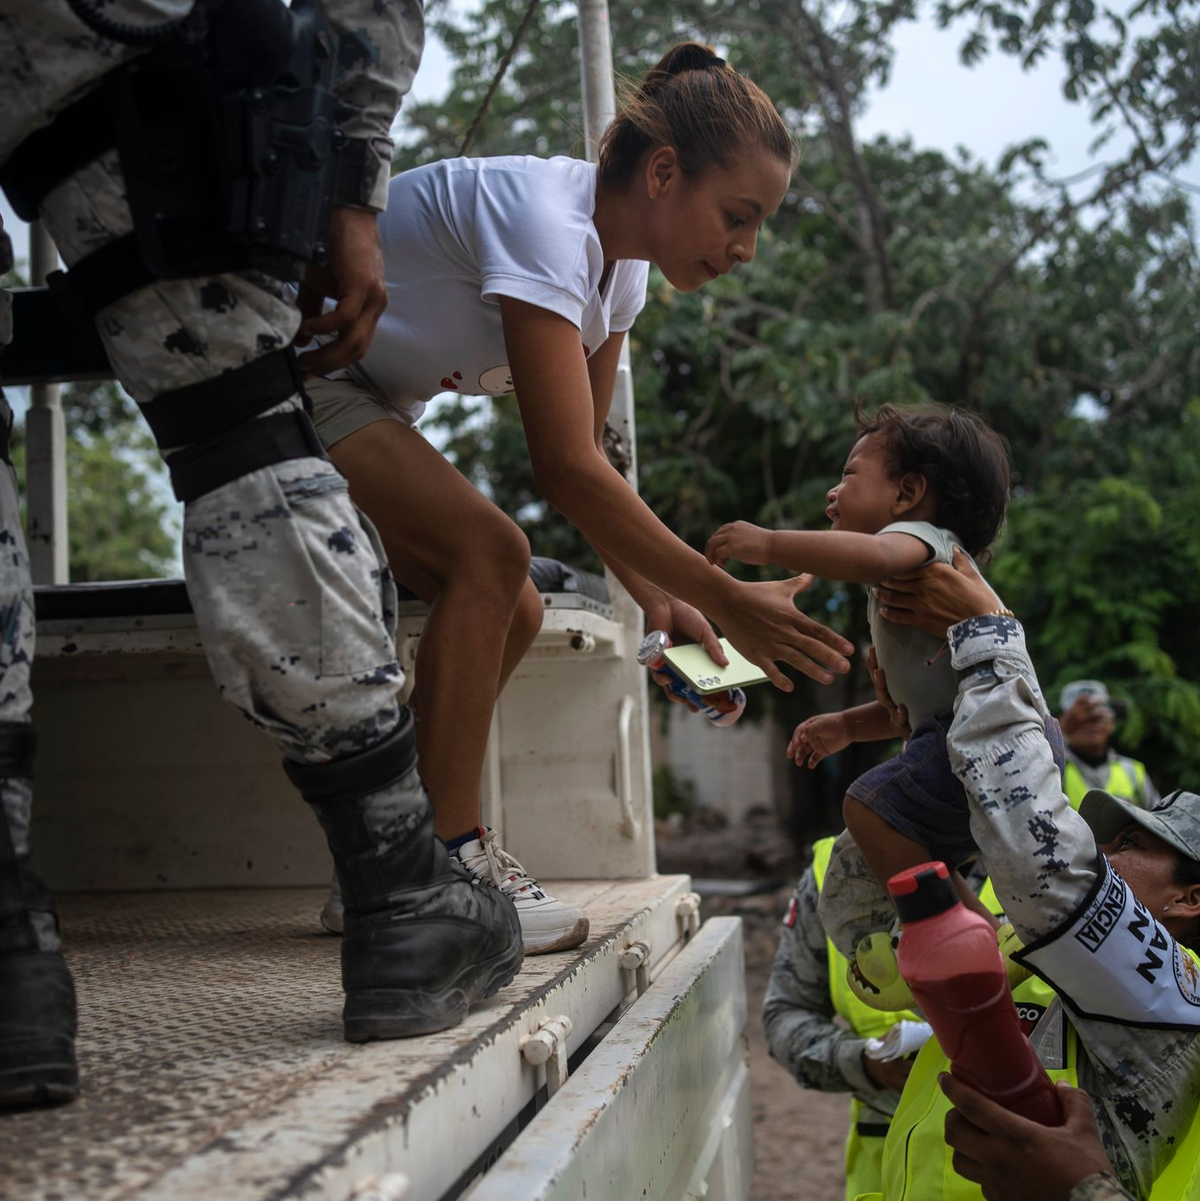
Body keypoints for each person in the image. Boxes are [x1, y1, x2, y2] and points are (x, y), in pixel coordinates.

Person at [0, 0, 522, 1108]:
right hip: (102, 51)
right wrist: (348, 179)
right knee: (236, 417)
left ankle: (9, 953)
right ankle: (399, 889)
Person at [305, 42, 855, 952]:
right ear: (665, 172)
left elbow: (588, 461)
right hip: (295, 376)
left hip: (366, 401)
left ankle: (382, 861)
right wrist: (723, 593)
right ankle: (439, 858)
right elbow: (559, 465)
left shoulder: (622, 271)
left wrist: (665, 605)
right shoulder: (547, 221)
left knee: (513, 603)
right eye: (737, 215)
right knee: (492, 555)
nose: (746, 249)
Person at [839, 549, 1200, 1199]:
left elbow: (1040, 855)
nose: (1103, 850)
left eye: (1129, 843)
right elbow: (882, 971)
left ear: (1191, 897)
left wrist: (992, 635)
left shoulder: (1175, 993)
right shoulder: (1026, 946)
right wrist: (917, 760)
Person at [704, 403, 1062, 945]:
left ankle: (968, 935)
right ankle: (973, 932)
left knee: (870, 806)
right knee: (892, 826)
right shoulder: (905, 588)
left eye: (848, 475)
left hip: (988, 744)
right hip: (967, 738)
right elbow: (916, 711)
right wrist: (847, 725)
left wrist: (770, 544)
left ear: (907, 494)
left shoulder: (924, 544)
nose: (832, 492)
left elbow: (870, 556)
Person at [1059, 681, 1159, 811]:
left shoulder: (1132, 771)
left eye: (1098, 717)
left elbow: (1158, 819)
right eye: (1081, 719)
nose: (1092, 724)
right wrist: (1059, 732)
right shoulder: (1055, 768)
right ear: (1067, 723)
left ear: (1111, 723)